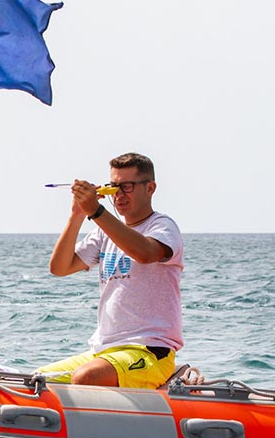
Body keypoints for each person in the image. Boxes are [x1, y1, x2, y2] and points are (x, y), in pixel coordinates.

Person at [40, 152, 183, 389]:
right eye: (114, 186)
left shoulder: (163, 226)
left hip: (148, 351)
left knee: (86, 377)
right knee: (36, 380)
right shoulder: (103, 231)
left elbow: (145, 253)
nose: (118, 194)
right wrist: (77, 215)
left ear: (150, 188)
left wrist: (96, 212)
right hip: (104, 351)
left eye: (126, 186)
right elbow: (59, 268)